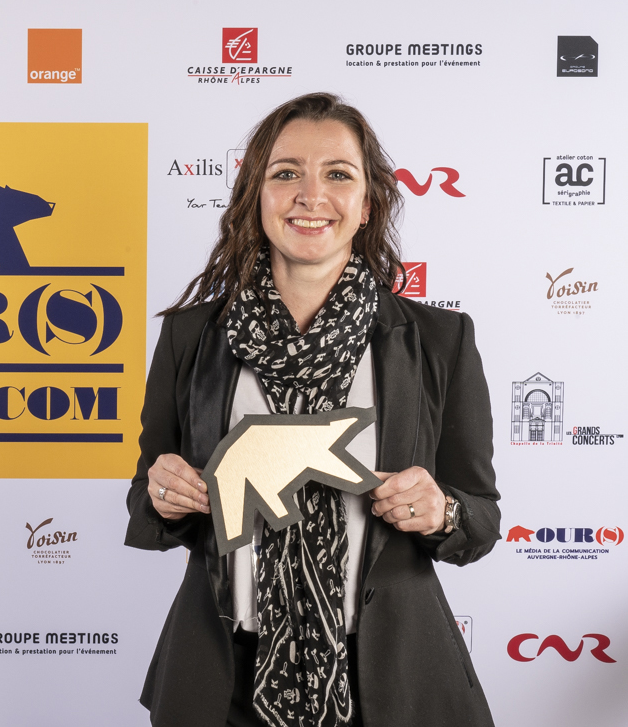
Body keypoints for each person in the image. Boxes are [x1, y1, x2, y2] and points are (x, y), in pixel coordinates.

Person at [125, 92, 499, 727]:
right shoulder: (191, 337)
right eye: (286, 173)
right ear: (257, 196)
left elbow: (481, 519)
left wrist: (443, 510)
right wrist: (164, 495)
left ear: (367, 204)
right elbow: (145, 499)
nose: (311, 195)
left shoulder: (439, 341)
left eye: (338, 174)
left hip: (390, 685)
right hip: (224, 684)